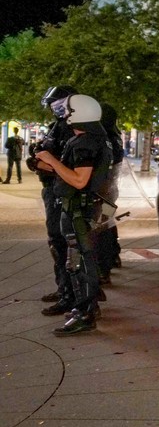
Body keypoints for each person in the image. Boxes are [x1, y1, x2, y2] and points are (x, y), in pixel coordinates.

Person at [35, 94, 113, 336]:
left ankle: (86, 313)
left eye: (67, 112)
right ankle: (83, 310)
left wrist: (50, 160)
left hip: (79, 210)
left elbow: (80, 180)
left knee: (79, 262)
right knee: (77, 261)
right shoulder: (88, 140)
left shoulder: (86, 143)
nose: (63, 116)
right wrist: (45, 163)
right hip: (78, 208)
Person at [28, 86, 79, 309]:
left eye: (55, 104)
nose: (52, 109)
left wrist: (45, 164)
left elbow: (69, 165)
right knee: (56, 242)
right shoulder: (59, 126)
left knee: (62, 242)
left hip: (62, 191)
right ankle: (64, 290)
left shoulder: (72, 128)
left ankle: (70, 295)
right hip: (52, 189)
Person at [95, 102, 126, 283]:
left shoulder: (104, 139)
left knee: (102, 228)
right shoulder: (115, 136)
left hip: (102, 192)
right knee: (108, 225)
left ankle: (104, 267)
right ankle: (113, 255)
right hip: (110, 193)